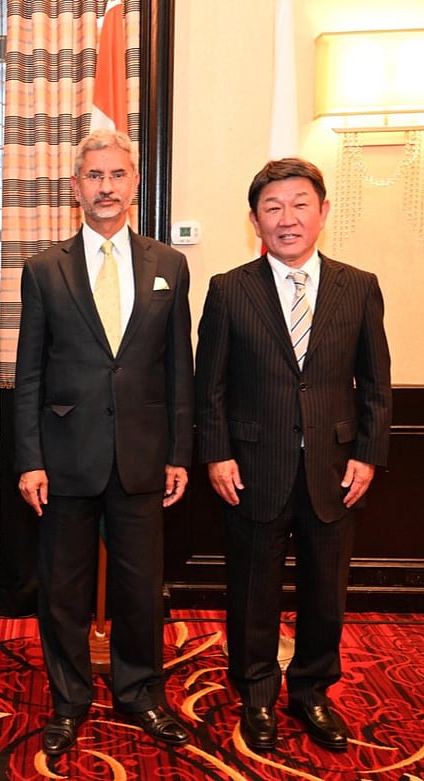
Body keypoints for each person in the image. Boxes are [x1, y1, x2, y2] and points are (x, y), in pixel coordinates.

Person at [194, 158, 392, 752]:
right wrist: (217, 455)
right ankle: (256, 693)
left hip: (335, 470)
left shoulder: (359, 286)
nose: (287, 219)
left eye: (300, 204)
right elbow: (211, 387)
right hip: (253, 468)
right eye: (273, 208)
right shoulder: (229, 289)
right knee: (251, 590)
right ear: (255, 219)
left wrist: (368, 455)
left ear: (323, 212)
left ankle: (311, 691)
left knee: (326, 592)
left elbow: (376, 384)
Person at [14, 129, 194, 756]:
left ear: (134, 183)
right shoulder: (44, 270)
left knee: (142, 588)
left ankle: (140, 691)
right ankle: (67, 701)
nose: (107, 188)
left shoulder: (170, 266)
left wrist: (179, 451)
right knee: (61, 589)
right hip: (65, 456)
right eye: (94, 176)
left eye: (117, 175)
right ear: (75, 187)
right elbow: (29, 372)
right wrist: (29, 459)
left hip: (143, 454)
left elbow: (179, 368)